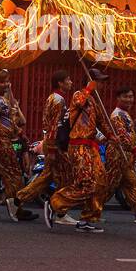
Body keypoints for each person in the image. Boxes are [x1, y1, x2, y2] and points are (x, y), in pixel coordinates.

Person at [43, 69, 108, 231]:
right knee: (86, 184)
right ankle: (55, 203)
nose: (101, 84)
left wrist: (112, 136)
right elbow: (79, 102)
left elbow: (102, 122)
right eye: (98, 80)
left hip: (92, 146)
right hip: (78, 145)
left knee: (100, 181)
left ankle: (87, 219)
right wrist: (88, 89)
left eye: (101, 81)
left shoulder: (95, 101)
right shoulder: (79, 94)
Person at [0, 69, 37, 222]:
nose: (6, 85)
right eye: (2, 82)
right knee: (14, 173)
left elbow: (8, 121)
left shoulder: (2, 100)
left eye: (7, 81)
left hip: (0, 140)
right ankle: (16, 206)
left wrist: (20, 133)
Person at [100, 87, 136, 224]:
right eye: (125, 96)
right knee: (109, 185)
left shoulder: (125, 114)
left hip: (125, 155)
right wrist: (135, 149)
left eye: (131, 96)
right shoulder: (117, 115)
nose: (129, 99)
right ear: (118, 98)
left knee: (131, 182)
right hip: (117, 154)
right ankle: (91, 210)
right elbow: (122, 136)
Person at [18, 70, 72, 207]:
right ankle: (60, 209)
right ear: (60, 83)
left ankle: (18, 199)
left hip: (51, 141)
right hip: (55, 143)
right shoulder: (58, 100)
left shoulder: (52, 98)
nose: (71, 83)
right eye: (68, 80)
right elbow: (54, 125)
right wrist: (53, 149)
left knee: (47, 177)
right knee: (65, 176)